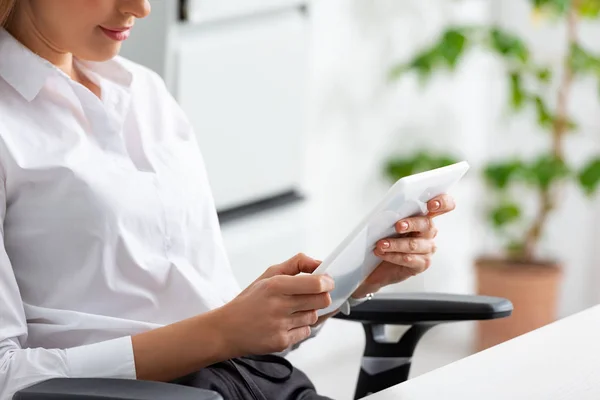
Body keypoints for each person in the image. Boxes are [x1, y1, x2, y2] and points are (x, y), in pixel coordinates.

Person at [0, 1, 456, 399]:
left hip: (265, 382)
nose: (140, 8)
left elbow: (215, 327)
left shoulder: (144, 94)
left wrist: (352, 279)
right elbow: (5, 377)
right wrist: (221, 332)